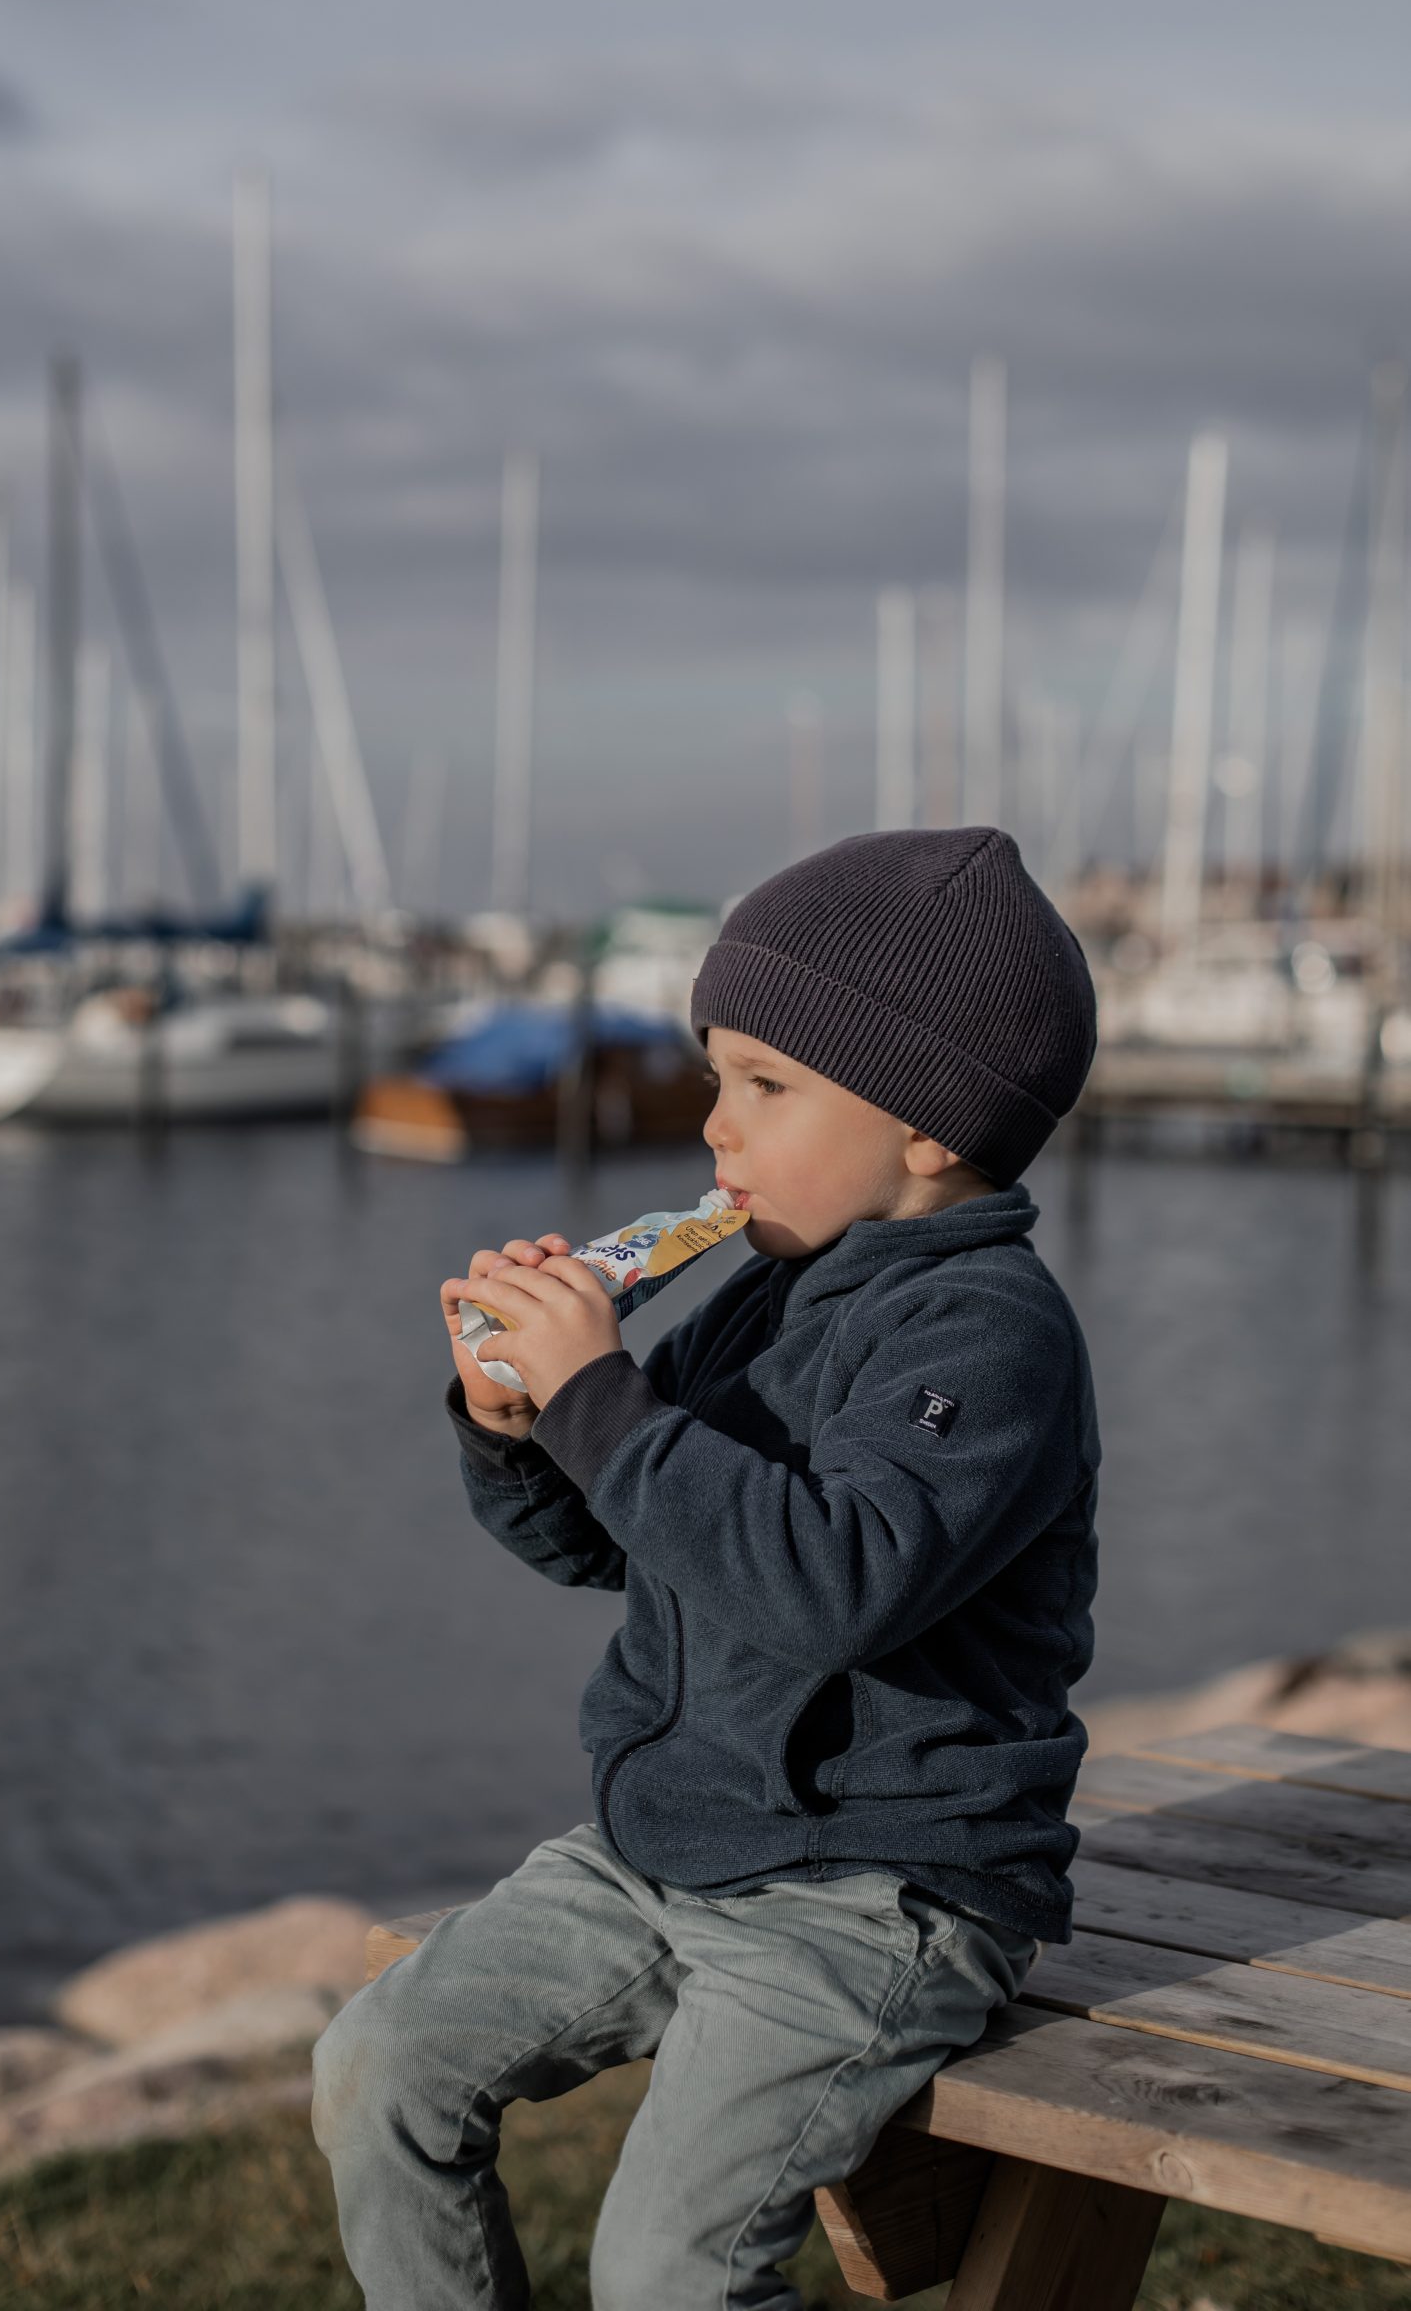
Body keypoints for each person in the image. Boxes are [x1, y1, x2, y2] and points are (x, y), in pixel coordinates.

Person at [312, 824, 1100, 2310]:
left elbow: (839, 1580)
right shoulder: (762, 1292)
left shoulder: (989, 1337)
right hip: (666, 1842)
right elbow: (613, 1537)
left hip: (880, 1887)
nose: (712, 1126)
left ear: (926, 1124)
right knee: (379, 2067)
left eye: (764, 1085)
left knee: (667, 2268)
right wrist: (521, 1424)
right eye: (719, 1075)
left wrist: (603, 1397)